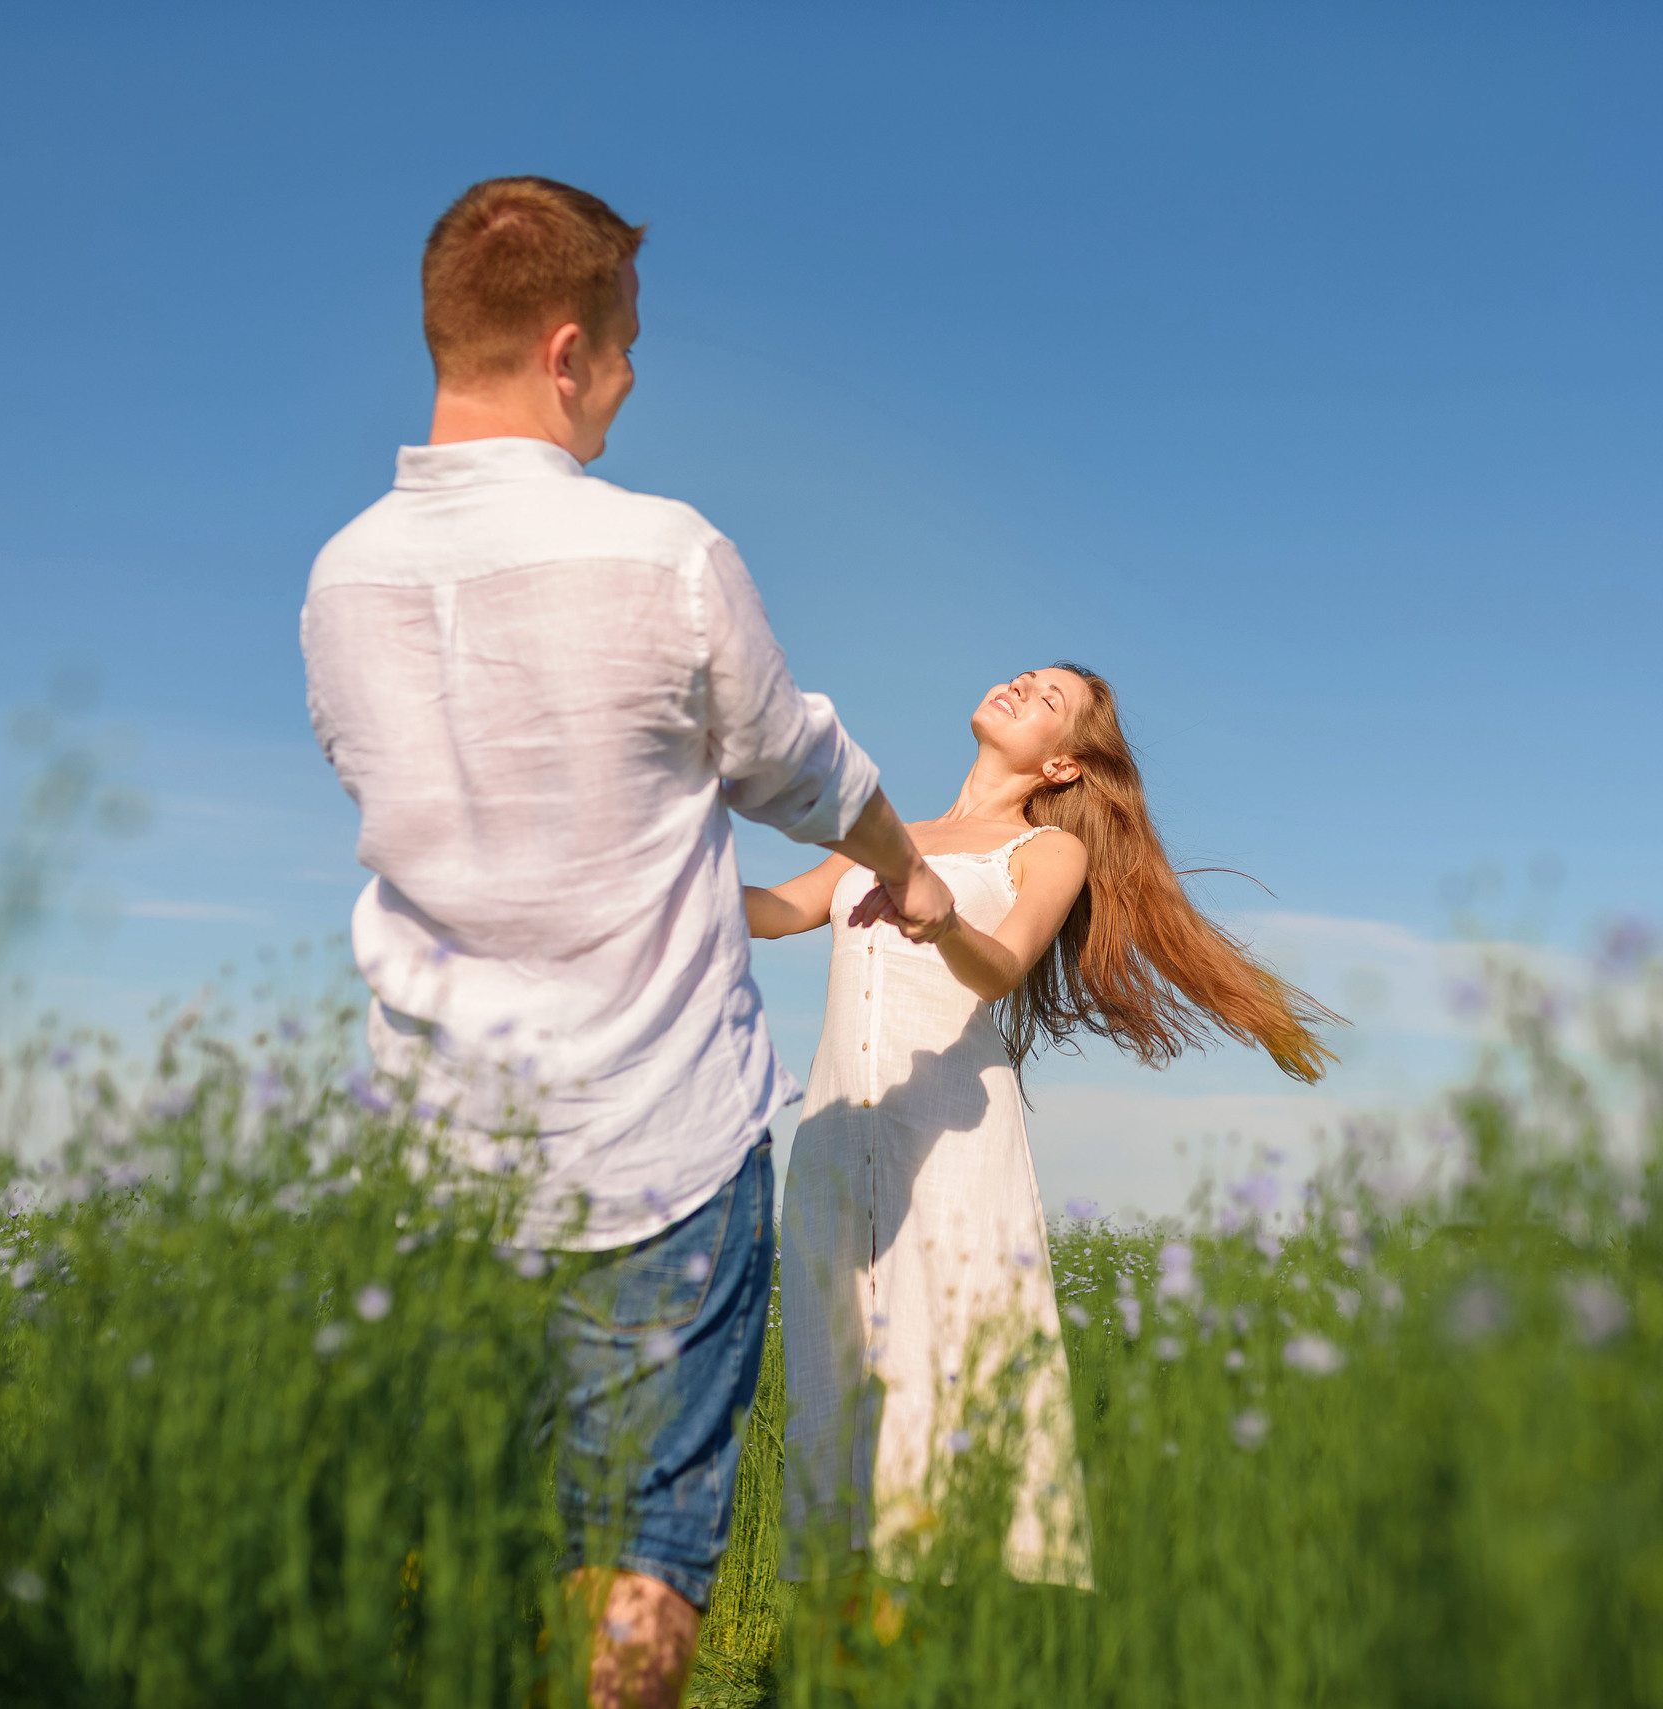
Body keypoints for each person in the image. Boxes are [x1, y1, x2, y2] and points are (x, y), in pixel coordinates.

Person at [301, 176, 956, 1709]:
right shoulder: (664, 551)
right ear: (570, 349)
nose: (636, 380)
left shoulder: (339, 581)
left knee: (469, 1543)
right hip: (656, 1148)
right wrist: (908, 875)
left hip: (442, 1151)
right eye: (633, 348)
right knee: (636, 1562)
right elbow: (795, 761)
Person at [746, 663, 1337, 1588]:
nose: (1021, 685)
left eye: (1049, 697)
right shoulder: (882, 835)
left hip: (946, 1148)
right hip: (830, 1145)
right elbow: (780, 912)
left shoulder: (1042, 852)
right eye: (1025, 675)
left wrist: (941, 919)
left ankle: (952, 1640)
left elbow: (1002, 966)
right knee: (834, 1385)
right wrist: (669, 878)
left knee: (938, 1385)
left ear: (1063, 765)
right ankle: (844, 1654)